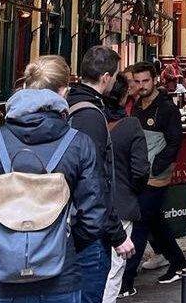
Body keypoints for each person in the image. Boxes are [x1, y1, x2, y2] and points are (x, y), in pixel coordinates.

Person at [0, 55, 107, 303]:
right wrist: (62, 245)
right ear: (64, 91)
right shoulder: (78, 144)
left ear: (25, 87)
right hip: (60, 280)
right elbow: (94, 215)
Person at [67, 46, 136, 303]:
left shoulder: (72, 102)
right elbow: (95, 177)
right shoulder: (91, 115)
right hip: (88, 229)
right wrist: (117, 233)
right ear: (106, 77)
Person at [124, 62, 186, 292]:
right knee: (155, 222)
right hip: (139, 173)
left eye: (145, 81)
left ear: (155, 80)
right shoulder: (137, 104)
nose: (141, 86)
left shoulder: (167, 108)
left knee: (140, 224)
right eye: (137, 81)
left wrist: (159, 164)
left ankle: (126, 281)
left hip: (155, 176)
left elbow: (175, 141)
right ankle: (179, 263)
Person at [102, 72, 150, 303]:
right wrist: (133, 191)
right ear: (123, 98)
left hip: (88, 206)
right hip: (121, 204)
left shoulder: (88, 120)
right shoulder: (131, 126)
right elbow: (141, 170)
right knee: (114, 267)